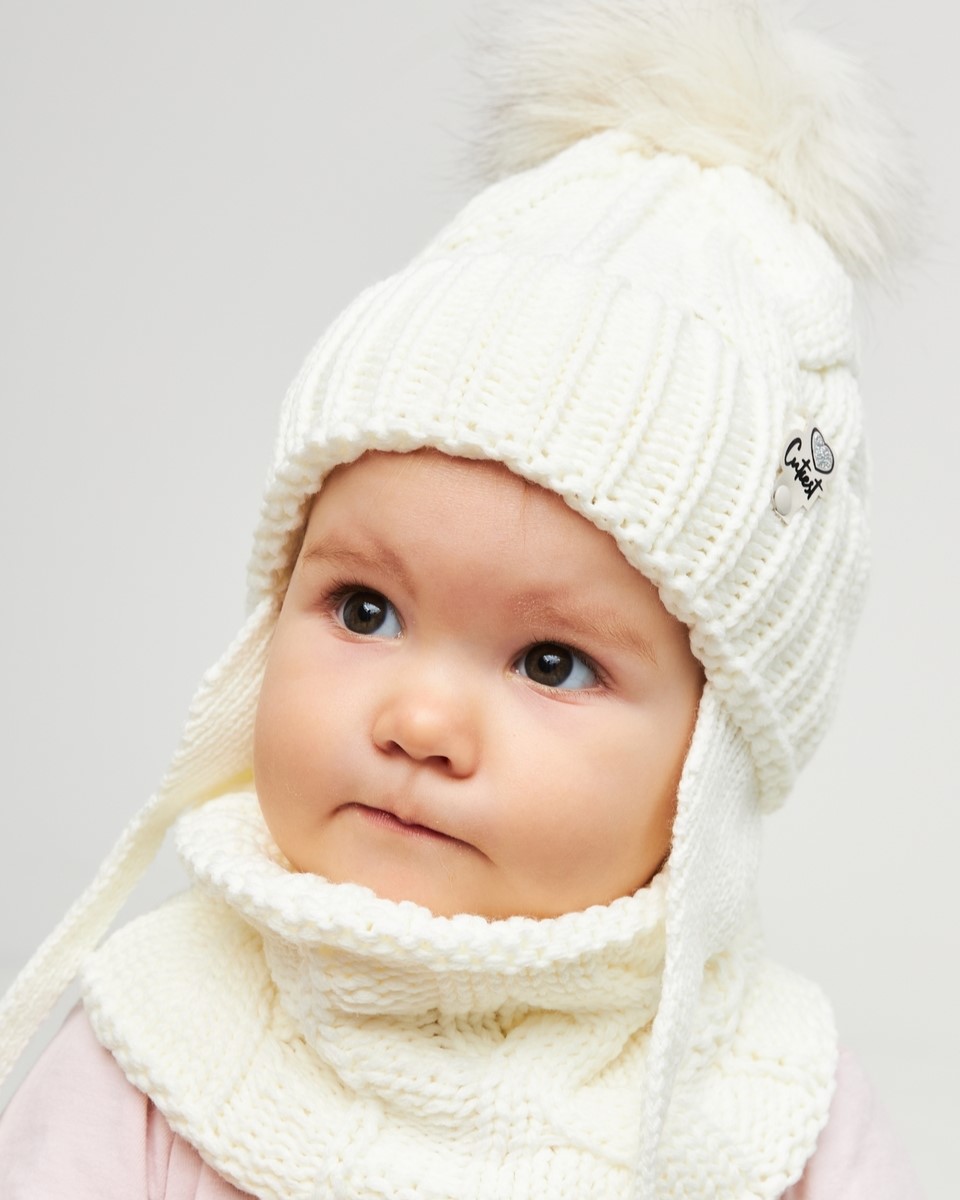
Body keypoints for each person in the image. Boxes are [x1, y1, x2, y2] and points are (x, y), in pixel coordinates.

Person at [0, 1, 924, 1196]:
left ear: (718, 766)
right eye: (363, 610)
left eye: (551, 663)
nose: (419, 722)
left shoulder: (774, 1105)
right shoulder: (153, 1043)